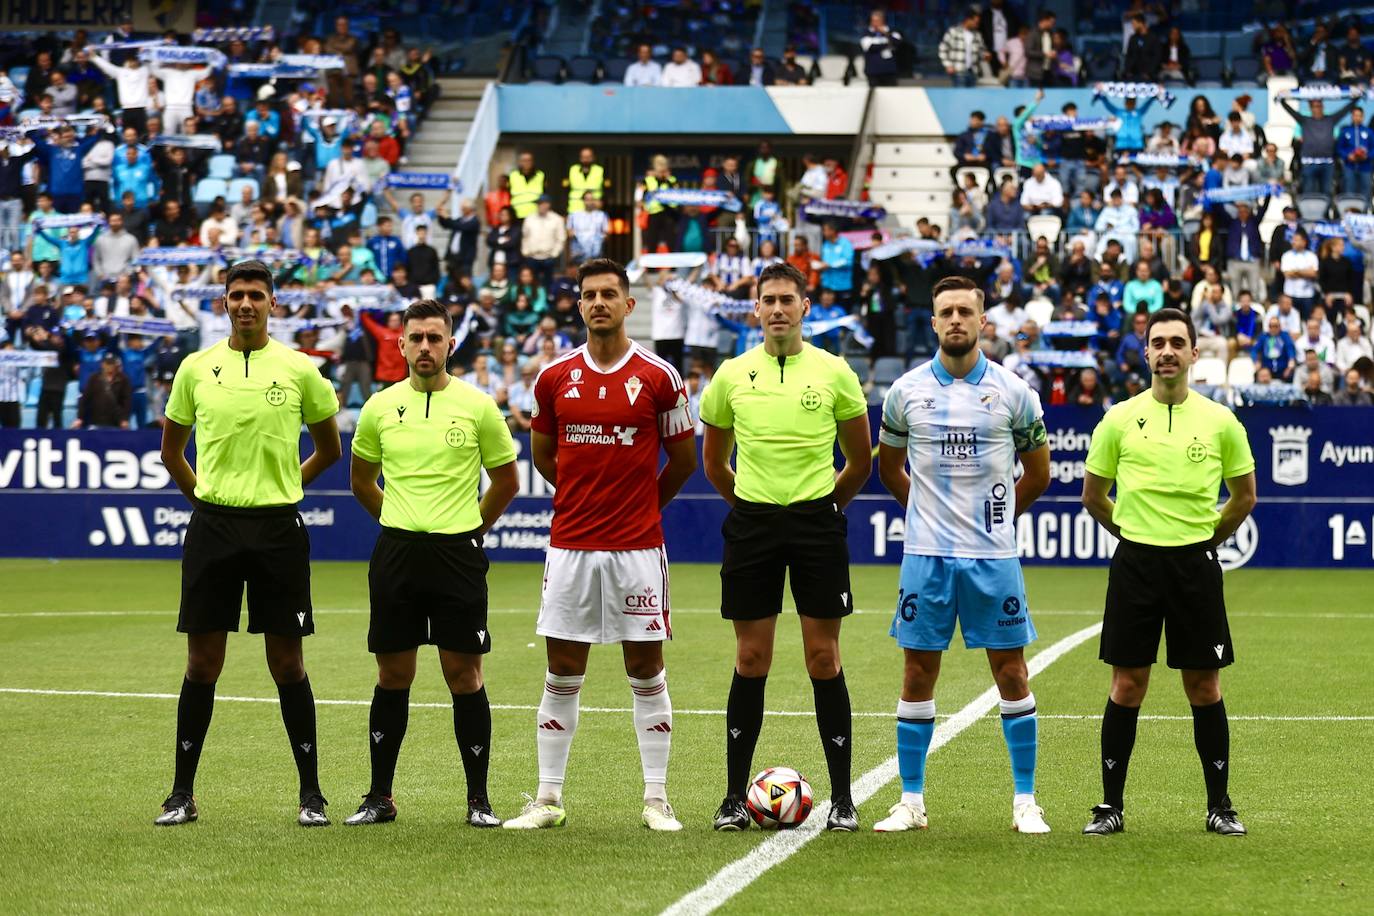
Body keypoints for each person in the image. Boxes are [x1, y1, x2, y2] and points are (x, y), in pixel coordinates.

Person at [502, 258, 697, 832]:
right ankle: (547, 799)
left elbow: (683, 460)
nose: (598, 303)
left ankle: (657, 799)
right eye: (589, 295)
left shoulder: (660, 376)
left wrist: (640, 506)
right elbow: (542, 454)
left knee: (646, 666)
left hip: (638, 548)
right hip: (571, 546)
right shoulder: (553, 377)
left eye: (609, 294)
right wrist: (585, 497)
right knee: (562, 669)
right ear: (579, 304)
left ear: (628, 304)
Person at [154, 260, 342, 827]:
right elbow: (172, 452)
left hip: (278, 529)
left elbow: (330, 449)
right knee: (202, 662)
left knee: (287, 662)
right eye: (236, 295)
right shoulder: (196, 368)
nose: (245, 304)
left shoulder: (301, 369)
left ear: (272, 304)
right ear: (224, 303)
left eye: (256, 295)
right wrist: (205, 501)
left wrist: (284, 487)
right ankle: (181, 795)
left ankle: (312, 795)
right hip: (212, 527)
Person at [869, 273, 1051, 833]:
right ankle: (911, 801)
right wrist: (923, 512)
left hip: (992, 559)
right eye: (945, 312)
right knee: (917, 673)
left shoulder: (1014, 392)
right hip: (926, 557)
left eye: (964, 312)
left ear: (982, 322)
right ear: (933, 322)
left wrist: (995, 520)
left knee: (1012, 673)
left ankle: (1025, 802)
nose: (955, 321)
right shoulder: (904, 393)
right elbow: (888, 468)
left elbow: (1038, 474)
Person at [699, 262, 871, 832]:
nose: (777, 309)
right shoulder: (730, 374)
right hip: (752, 525)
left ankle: (843, 799)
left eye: (786, 300)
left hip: (816, 524)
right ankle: (729, 798)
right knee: (752, 658)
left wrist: (824, 508)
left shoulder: (835, 372)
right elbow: (714, 463)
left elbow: (860, 460)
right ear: (755, 309)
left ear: (805, 307)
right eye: (767, 300)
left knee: (824, 656)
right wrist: (749, 507)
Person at [343, 298, 520, 828]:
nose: (425, 347)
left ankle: (479, 800)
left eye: (434, 338)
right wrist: (397, 518)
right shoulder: (379, 407)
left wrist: (468, 529)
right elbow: (360, 481)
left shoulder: (478, 406)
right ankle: (379, 797)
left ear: (450, 343)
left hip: (457, 555)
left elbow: (506, 482)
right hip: (396, 553)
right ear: (400, 344)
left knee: (463, 673)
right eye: (415, 337)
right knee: (393, 673)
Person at [1081, 307, 1257, 838]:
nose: (1167, 352)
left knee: (1204, 686)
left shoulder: (1221, 421)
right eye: (1158, 343)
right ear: (1146, 352)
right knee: (1127, 684)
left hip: (1195, 567)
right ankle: (1110, 807)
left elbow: (1244, 497)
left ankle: (1220, 806)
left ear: (1194, 353)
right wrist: (1135, 533)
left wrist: (1204, 540)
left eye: (1177, 343)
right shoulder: (1118, 418)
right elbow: (1094, 496)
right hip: (1135, 563)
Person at [861, 9, 905, 87]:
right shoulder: (866, 33)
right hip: (873, 72)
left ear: (882, 20)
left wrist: (885, 33)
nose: (875, 23)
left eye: (877, 21)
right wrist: (888, 44)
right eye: (873, 21)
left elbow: (897, 42)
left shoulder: (891, 31)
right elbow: (871, 47)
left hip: (889, 71)